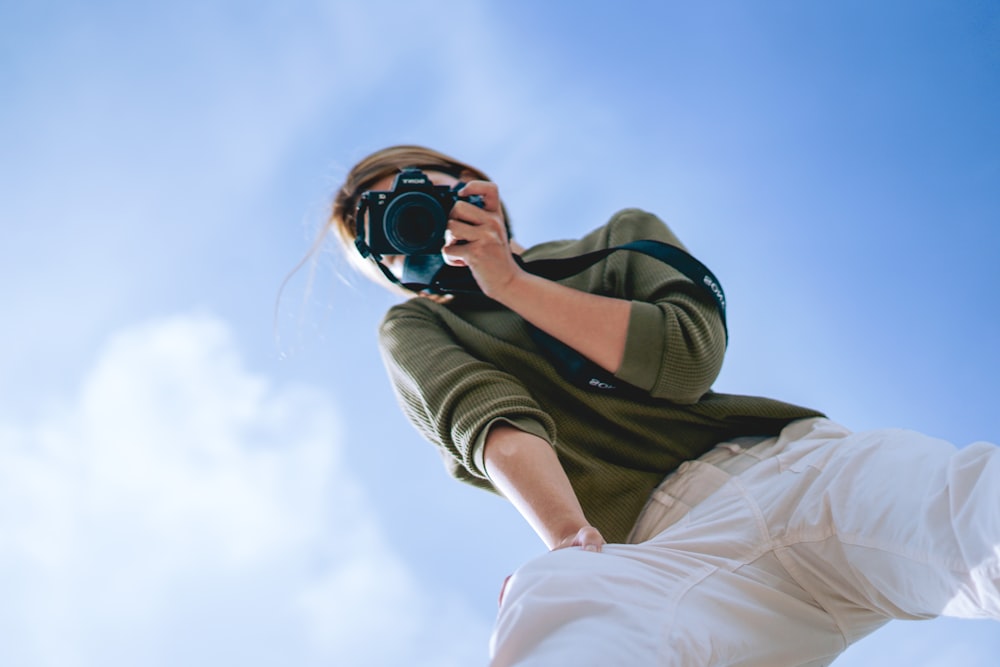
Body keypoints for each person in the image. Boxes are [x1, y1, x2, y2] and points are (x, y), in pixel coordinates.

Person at [325, 144, 999, 666]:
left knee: (973, 511)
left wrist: (511, 284)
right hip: (668, 551)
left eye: (422, 192)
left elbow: (685, 357)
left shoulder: (619, 236)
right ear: (387, 268)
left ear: (478, 186)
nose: (412, 221)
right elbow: (491, 418)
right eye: (385, 232)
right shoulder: (415, 327)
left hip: (803, 468)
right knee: (561, 609)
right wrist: (568, 541)